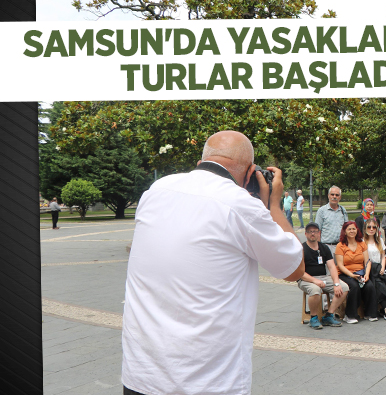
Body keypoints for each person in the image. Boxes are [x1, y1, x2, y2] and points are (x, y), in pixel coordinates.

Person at [121, 131, 304, 395]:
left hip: (142, 374)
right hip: (206, 381)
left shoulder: (156, 190)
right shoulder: (240, 205)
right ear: (251, 171)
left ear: (202, 160)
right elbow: (294, 268)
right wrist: (273, 205)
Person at [298, 223, 348, 329]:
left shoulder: (324, 248)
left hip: (323, 277)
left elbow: (332, 267)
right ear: (306, 234)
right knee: (315, 290)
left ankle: (329, 315)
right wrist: (314, 281)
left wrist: (336, 283)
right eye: (310, 231)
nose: (313, 234)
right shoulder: (301, 249)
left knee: (344, 288)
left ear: (319, 233)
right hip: (306, 279)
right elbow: (300, 272)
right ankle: (313, 317)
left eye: (315, 231)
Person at [335, 221, 377, 324]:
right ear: (344, 232)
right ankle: (350, 315)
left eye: (354, 229)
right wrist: (352, 275)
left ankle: (370, 313)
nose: (352, 231)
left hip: (361, 272)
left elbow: (367, 262)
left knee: (370, 286)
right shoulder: (340, 246)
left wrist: (366, 274)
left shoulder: (361, 244)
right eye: (349, 229)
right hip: (345, 274)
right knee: (354, 286)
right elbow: (340, 265)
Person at [362, 217, 386, 322]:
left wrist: (382, 267)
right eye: (369, 227)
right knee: (377, 282)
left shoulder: (380, 240)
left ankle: (382, 307)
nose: (371, 229)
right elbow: (365, 260)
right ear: (365, 229)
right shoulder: (362, 242)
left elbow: (383, 256)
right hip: (368, 268)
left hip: (379, 268)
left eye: (374, 227)